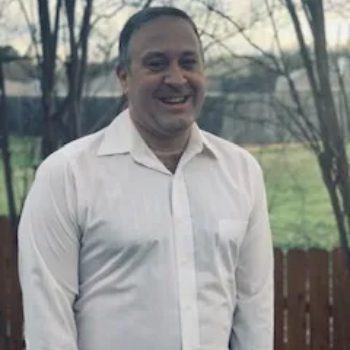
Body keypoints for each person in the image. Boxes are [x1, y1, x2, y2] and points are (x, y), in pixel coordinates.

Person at [18, 6, 274, 350]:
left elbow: (255, 312)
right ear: (124, 77)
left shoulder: (242, 172)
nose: (176, 78)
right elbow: (48, 325)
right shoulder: (67, 175)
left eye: (188, 62)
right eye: (156, 64)